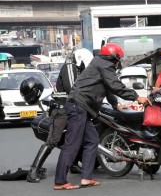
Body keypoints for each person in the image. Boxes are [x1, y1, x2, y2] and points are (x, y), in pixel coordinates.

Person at [53, 43, 151, 190]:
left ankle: (86, 178)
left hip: (82, 107)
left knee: (92, 141)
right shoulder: (104, 64)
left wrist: (116, 105)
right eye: (118, 59)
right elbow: (116, 86)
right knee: (72, 144)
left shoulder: (100, 64)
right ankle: (60, 181)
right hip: (79, 106)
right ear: (113, 57)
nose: (119, 63)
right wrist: (137, 97)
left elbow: (108, 88)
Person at [26, 48, 94, 183]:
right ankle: (33, 170)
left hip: (74, 109)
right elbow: (72, 88)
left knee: (77, 138)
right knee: (53, 140)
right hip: (62, 109)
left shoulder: (80, 69)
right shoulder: (69, 66)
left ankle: (73, 165)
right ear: (79, 60)